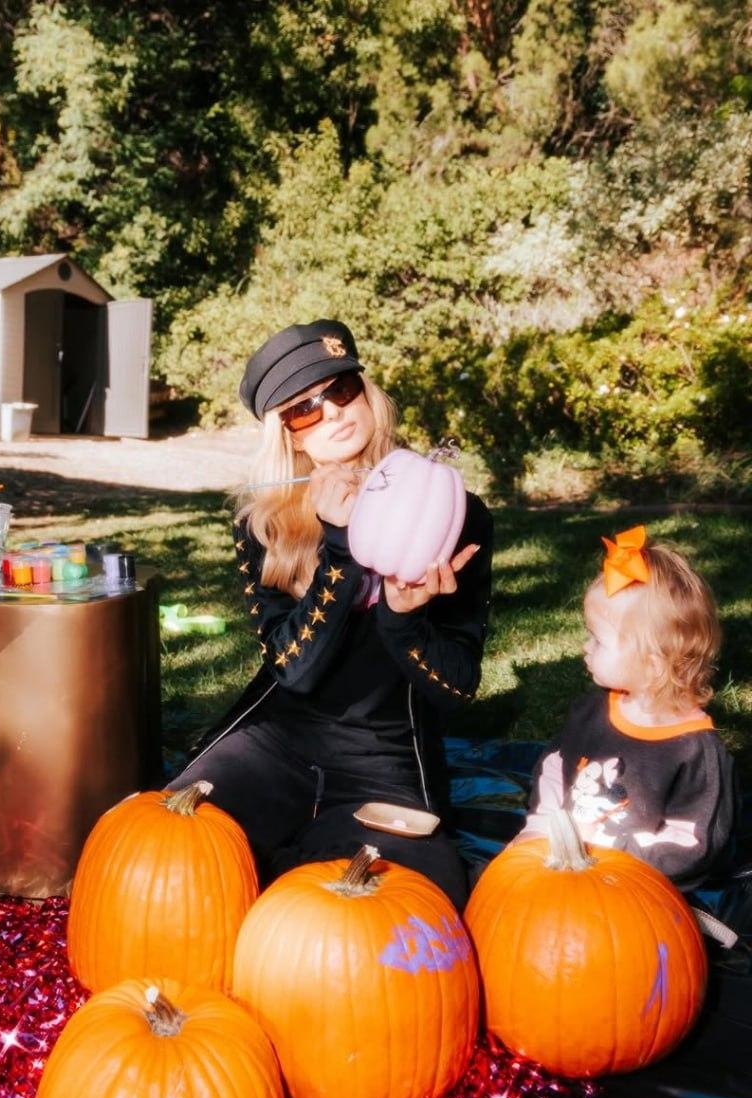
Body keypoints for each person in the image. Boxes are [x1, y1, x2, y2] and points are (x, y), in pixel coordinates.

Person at [169, 320, 494, 910]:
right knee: (174, 850)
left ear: (366, 391)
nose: (333, 413)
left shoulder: (454, 513)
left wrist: (404, 619)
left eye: (340, 389)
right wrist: (339, 547)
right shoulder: (261, 525)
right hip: (275, 739)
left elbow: (458, 685)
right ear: (288, 436)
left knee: (391, 907)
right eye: (304, 410)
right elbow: (294, 671)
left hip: (388, 756)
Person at [519, 525, 738, 890]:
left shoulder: (693, 751)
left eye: (598, 640)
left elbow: (691, 845)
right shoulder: (593, 712)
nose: (584, 648)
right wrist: (542, 826)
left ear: (651, 664)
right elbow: (556, 766)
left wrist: (615, 854)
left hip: (636, 889)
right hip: (564, 864)